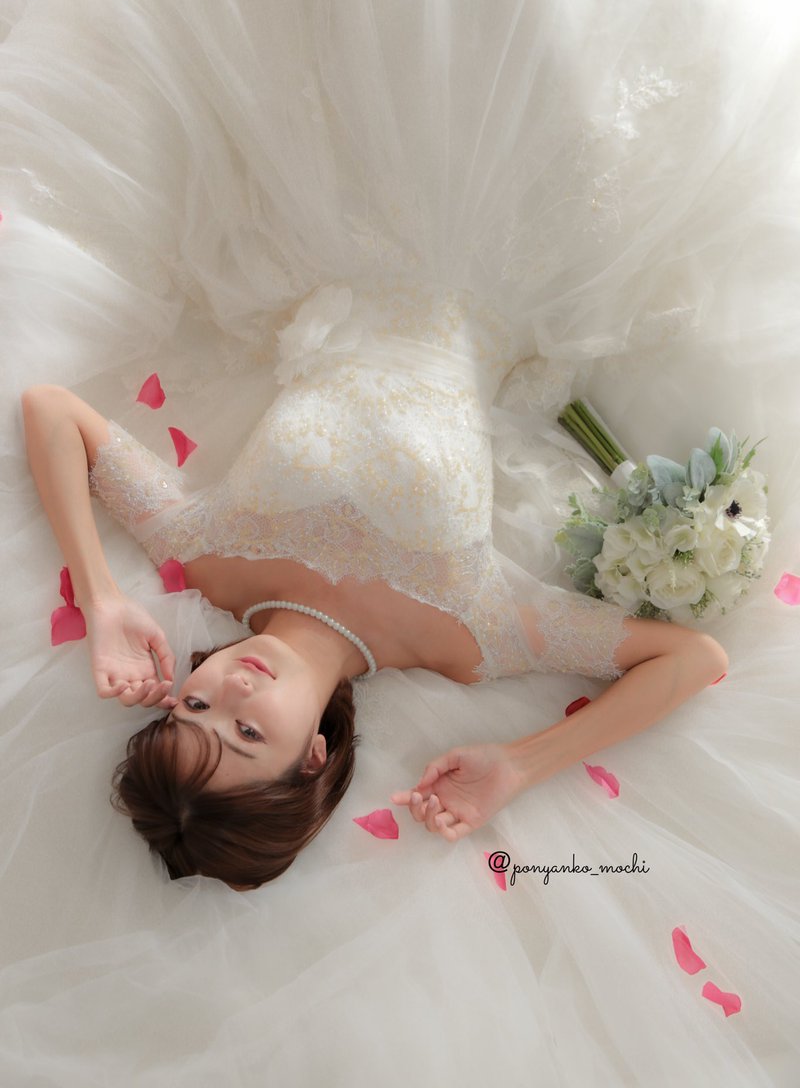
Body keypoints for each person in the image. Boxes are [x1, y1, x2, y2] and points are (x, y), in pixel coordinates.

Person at [21, 282, 727, 889]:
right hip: (506, 282)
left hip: (348, 234)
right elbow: (694, 657)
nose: (232, 687)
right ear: (312, 757)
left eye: (196, 705)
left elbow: (51, 410)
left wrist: (102, 600)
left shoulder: (203, 555)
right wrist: (520, 765)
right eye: (246, 731)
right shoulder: (472, 637)